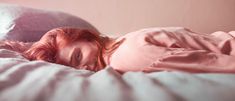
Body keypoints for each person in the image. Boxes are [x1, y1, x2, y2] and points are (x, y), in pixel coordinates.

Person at [2, 27, 235, 73]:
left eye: (78, 56)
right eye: (72, 66)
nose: (82, 67)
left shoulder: (125, 58)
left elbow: (213, 63)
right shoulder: (124, 40)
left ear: (90, 38)